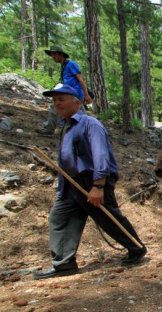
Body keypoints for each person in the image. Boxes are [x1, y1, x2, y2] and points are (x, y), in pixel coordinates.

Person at [33, 84, 146, 280]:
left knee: (108, 217)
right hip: (70, 183)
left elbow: (100, 155)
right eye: (54, 100)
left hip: (91, 181)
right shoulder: (65, 127)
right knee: (60, 218)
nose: (56, 103)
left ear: (76, 101)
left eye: (61, 99)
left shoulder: (89, 124)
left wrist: (98, 186)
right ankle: (64, 264)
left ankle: (135, 248)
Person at [37, 45, 92, 136]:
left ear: (60, 55)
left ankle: (87, 132)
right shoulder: (64, 66)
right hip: (68, 94)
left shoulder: (71, 64)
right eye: (52, 55)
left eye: (54, 54)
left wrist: (86, 95)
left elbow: (81, 79)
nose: (53, 57)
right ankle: (53, 129)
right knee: (60, 109)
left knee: (78, 114)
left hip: (75, 94)